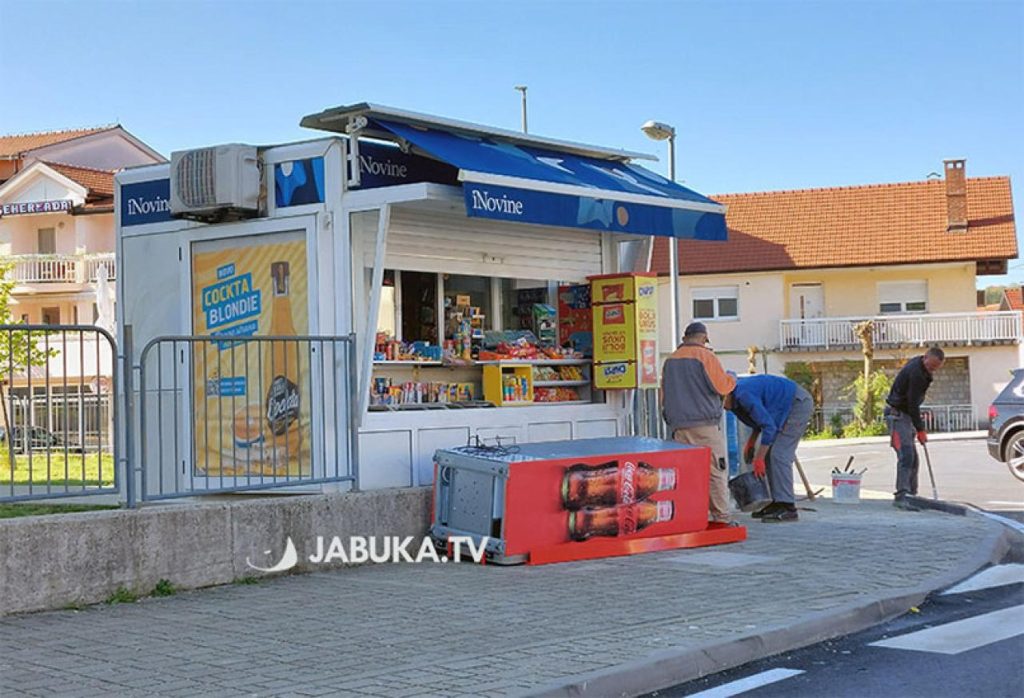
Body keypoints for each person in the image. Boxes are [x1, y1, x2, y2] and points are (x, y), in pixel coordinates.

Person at [662, 321, 737, 525]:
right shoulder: (706, 356)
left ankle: (691, 516)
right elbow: (722, 387)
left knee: (687, 474)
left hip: (678, 428)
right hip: (705, 427)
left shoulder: (670, 361)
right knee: (715, 471)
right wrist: (732, 377)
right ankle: (721, 517)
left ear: (685, 337)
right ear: (704, 338)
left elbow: (664, 395)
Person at [724, 373, 813, 522]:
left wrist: (759, 459)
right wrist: (751, 442)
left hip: (796, 404)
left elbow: (769, 427)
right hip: (784, 405)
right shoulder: (735, 401)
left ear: (726, 393)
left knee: (779, 454)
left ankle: (788, 507)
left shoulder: (743, 394)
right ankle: (776, 502)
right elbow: (759, 419)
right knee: (769, 454)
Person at [885, 346, 945, 511]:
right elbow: (912, 404)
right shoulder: (917, 373)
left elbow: (913, 404)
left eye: (935, 368)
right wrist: (920, 430)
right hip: (897, 416)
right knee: (906, 455)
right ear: (925, 358)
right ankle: (902, 496)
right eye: (930, 366)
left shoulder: (921, 367)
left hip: (905, 415)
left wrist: (917, 425)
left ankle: (911, 494)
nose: (932, 370)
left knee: (913, 459)